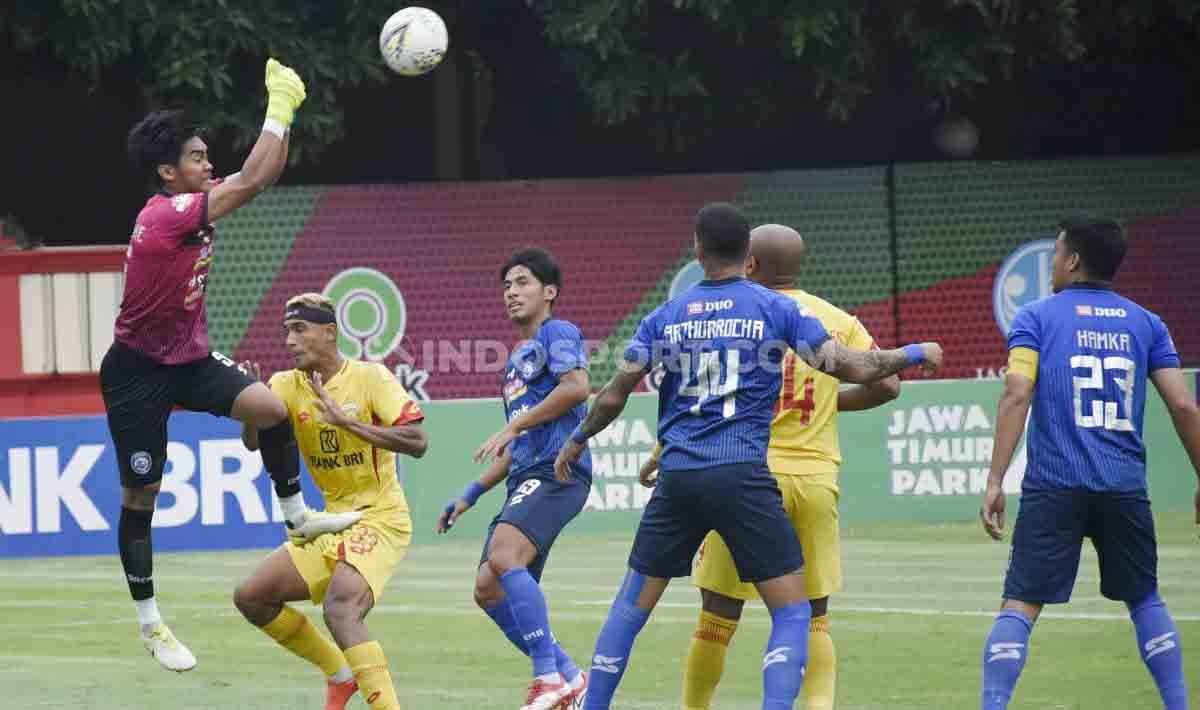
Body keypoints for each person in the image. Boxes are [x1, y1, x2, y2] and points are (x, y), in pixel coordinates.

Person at [555, 203, 942, 709]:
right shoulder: (777, 311)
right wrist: (914, 352)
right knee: (793, 613)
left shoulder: (664, 316)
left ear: (698, 250)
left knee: (631, 607)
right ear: (747, 255)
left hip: (680, 478)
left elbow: (614, 392)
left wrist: (578, 438)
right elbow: (851, 366)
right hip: (742, 477)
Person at [104, 59, 358, 672]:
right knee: (143, 495)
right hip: (136, 371)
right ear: (169, 173)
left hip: (187, 357)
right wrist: (276, 105)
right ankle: (150, 621)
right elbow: (249, 179)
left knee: (271, 410)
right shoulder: (163, 215)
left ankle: (297, 516)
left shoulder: (191, 203)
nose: (206, 165)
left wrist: (287, 113)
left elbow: (256, 176)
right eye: (196, 158)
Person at [638, 223, 900, 710]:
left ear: (750, 263)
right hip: (816, 479)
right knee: (812, 614)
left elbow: (700, 402)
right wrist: (827, 404)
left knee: (717, 616)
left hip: (744, 476)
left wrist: (659, 454)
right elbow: (887, 385)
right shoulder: (836, 319)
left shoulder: (738, 315)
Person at [978, 216, 1198, 710]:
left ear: (1073, 260)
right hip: (1123, 486)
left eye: (1056, 253)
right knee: (1145, 600)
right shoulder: (1147, 324)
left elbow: (1017, 394)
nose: (1053, 262)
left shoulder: (1034, 318)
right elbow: (1184, 405)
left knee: (1020, 605)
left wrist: (994, 479)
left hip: (1053, 486)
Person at [234, 293, 427, 710]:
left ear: (329, 333)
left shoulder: (371, 378)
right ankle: (340, 675)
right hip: (329, 520)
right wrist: (250, 410)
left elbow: (417, 441)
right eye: (286, 330)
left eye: (299, 329)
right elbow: (253, 445)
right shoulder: (284, 386)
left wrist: (347, 422)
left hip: (380, 517)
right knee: (251, 597)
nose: (289, 340)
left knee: (341, 607)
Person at [437, 248, 591, 710]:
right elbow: (515, 446)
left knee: (504, 556)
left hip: (559, 471)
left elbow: (577, 387)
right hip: (526, 475)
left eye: (522, 282)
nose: (511, 292)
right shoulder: (514, 364)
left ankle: (547, 679)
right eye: (506, 285)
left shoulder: (557, 332)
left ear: (549, 292)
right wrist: (470, 494)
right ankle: (571, 677)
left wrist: (515, 426)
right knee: (488, 587)